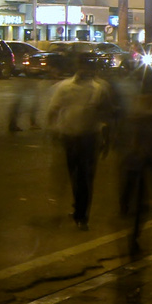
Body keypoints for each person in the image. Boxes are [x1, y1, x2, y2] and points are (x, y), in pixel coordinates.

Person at [47, 59, 112, 229]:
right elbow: (53, 110)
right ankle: (78, 207)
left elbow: (105, 115)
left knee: (85, 177)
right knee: (75, 175)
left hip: (90, 138)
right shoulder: (65, 87)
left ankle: (82, 216)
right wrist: (53, 130)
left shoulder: (98, 89)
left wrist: (107, 137)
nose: (86, 71)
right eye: (84, 67)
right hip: (70, 137)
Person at [120, 68, 152, 256]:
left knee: (138, 198)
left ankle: (134, 233)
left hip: (140, 157)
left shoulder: (138, 103)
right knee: (150, 197)